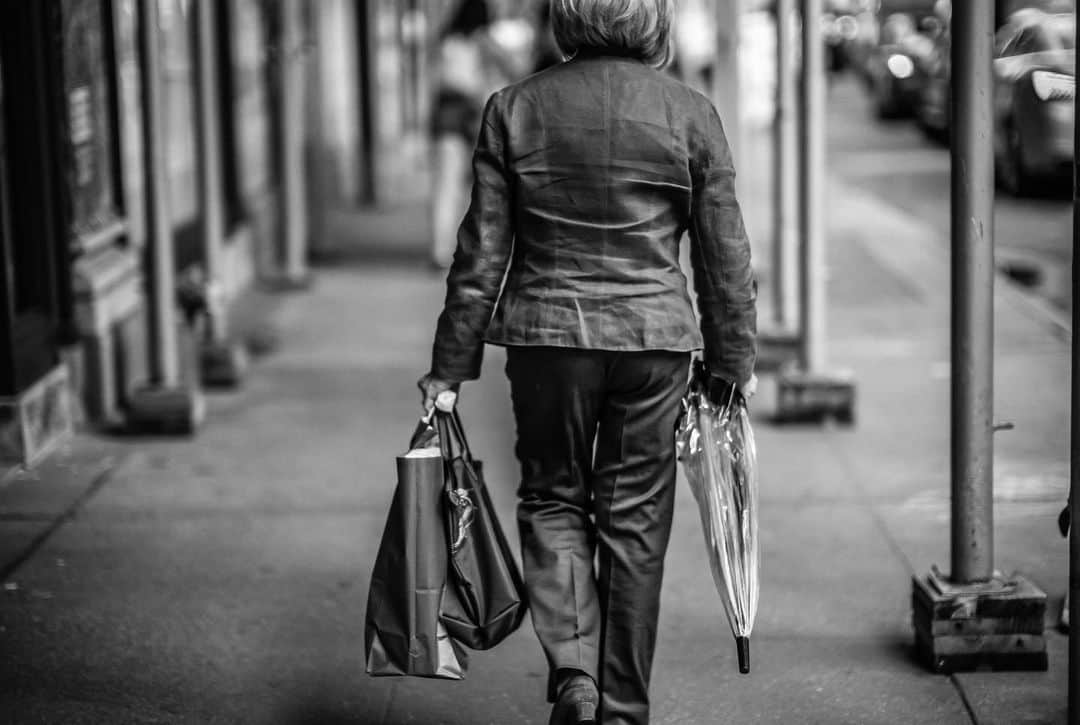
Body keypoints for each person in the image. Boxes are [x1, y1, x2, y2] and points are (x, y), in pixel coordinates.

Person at [418, 0, 757, 722]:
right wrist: (732, 361)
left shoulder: (514, 109)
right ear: (653, 19)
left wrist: (450, 367)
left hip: (548, 341)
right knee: (635, 523)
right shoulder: (691, 113)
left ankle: (575, 673)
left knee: (552, 499)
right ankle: (624, 709)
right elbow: (725, 256)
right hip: (654, 342)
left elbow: (479, 256)